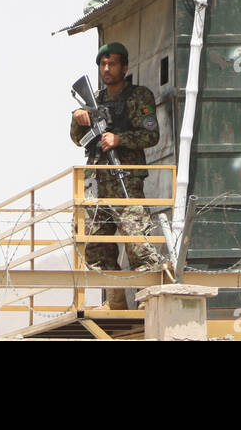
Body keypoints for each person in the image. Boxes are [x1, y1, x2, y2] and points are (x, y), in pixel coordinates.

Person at [69, 41, 163, 309]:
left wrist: (119, 138)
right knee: (96, 245)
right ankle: (116, 300)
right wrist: (78, 117)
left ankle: (148, 301)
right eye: (103, 64)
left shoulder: (139, 97)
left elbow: (151, 134)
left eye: (112, 64)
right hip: (98, 181)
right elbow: (77, 139)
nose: (107, 69)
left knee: (137, 241)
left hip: (126, 180)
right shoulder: (93, 100)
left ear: (124, 67)